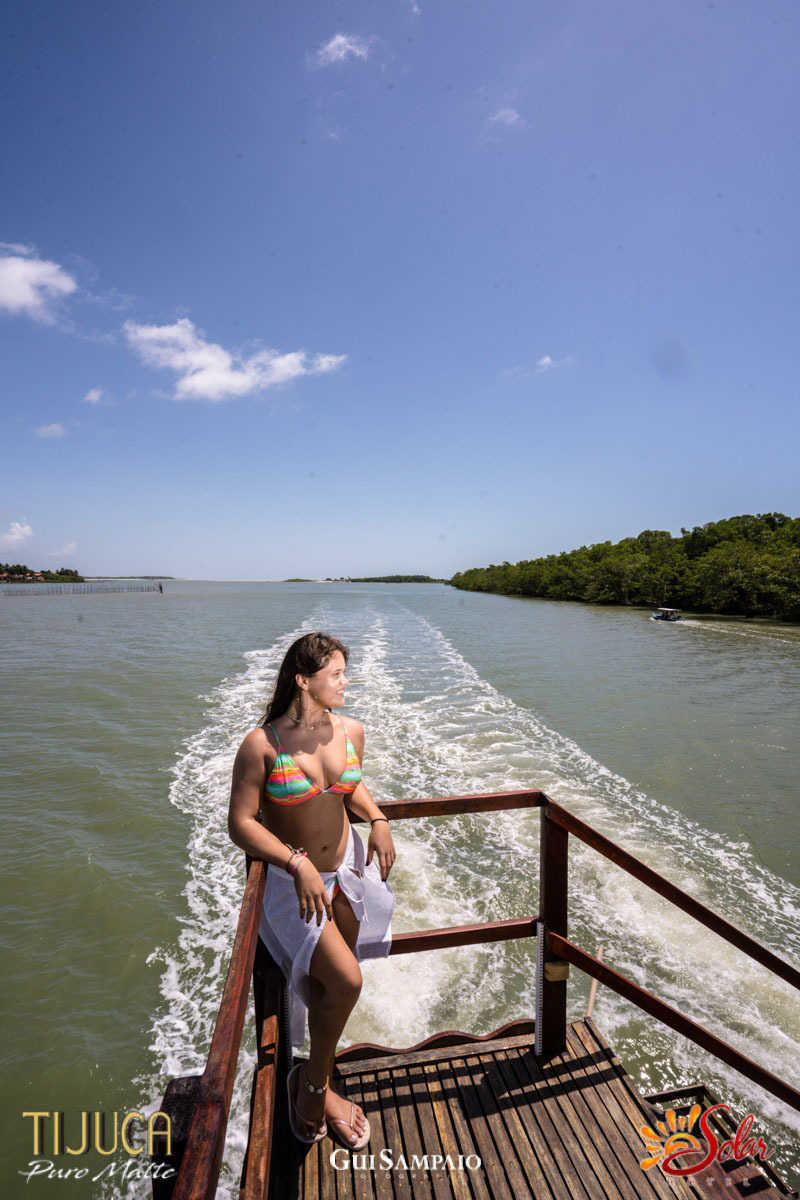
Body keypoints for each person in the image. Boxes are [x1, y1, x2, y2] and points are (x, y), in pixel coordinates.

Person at [228, 632, 396, 1150]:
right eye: (336, 674)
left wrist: (378, 818)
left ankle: (311, 1075)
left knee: (330, 991)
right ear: (303, 680)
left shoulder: (350, 730)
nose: (345, 683)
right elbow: (241, 823)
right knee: (346, 982)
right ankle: (314, 1091)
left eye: (345, 673)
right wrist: (294, 861)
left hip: (345, 875)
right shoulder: (263, 745)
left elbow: (350, 783)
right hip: (292, 886)